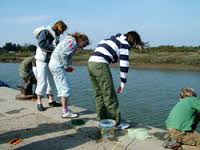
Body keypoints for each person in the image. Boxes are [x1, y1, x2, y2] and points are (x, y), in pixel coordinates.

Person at [88, 31, 145, 129]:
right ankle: (116, 124)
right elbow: (124, 65)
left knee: (99, 94)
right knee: (109, 95)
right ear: (133, 40)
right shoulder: (124, 44)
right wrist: (122, 83)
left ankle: (102, 120)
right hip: (100, 64)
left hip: (90, 63)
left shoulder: (113, 39)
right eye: (135, 43)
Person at [49, 32, 89, 118]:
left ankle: (65, 109)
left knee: (61, 87)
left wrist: (66, 67)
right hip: (57, 65)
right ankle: (65, 112)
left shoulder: (69, 40)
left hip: (54, 64)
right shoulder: (73, 43)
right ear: (81, 40)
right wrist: (66, 67)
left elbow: (62, 54)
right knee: (65, 89)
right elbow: (63, 54)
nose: (83, 47)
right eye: (84, 45)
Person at [34, 20, 67, 111]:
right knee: (42, 81)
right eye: (62, 30)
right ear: (58, 27)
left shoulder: (56, 35)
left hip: (50, 61)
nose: (62, 32)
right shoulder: (45, 32)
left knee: (52, 81)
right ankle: (39, 102)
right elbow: (41, 43)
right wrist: (55, 49)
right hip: (42, 60)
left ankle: (51, 100)